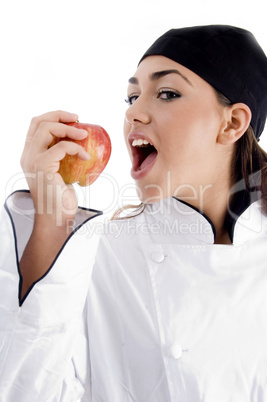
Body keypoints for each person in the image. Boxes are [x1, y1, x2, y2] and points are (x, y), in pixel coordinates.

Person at [1, 24, 267, 402]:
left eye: (167, 93)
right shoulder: (96, 257)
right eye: (132, 97)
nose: (134, 114)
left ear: (232, 123)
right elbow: (22, 391)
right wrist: (50, 219)